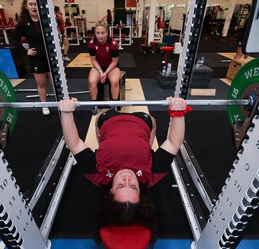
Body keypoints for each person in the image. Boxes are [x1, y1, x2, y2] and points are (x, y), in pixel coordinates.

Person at [58, 97, 190, 246]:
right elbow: (173, 143)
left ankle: (105, 142)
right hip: (143, 120)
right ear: (140, 192)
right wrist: (178, 111)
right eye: (133, 186)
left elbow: (74, 143)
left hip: (108, 119)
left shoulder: (97, 174)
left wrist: (66, 112)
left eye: (121, 185)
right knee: (152, 122)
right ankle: (145, 144)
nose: (127, 178)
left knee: (98, 123)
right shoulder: (152, 174)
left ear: (110, 192)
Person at [12, 0, 51, 115]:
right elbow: (14, 40)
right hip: (36, 58)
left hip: (51, 57)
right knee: (41, 84)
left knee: (55, 83)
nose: (34, 7)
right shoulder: (23, 23)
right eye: (31, 4)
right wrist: (26, 51)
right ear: (26, 6)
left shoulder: (47, 19)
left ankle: (61, 102)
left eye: (36, 4)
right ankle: (44, 105)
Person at [88, 21, 121, 115]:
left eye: (103, 33)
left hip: (111, 66)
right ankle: (94, 104)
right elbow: (93, 60)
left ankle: (114, 105)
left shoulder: (113, 43)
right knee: (91, 81)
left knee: (114, 81)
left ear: (107, 32)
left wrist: (105, 73)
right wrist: (100, 71)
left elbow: (115, 61)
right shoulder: (92, 43)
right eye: (98, 33)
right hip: (98, 65)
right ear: (95, 33)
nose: (100, 36)